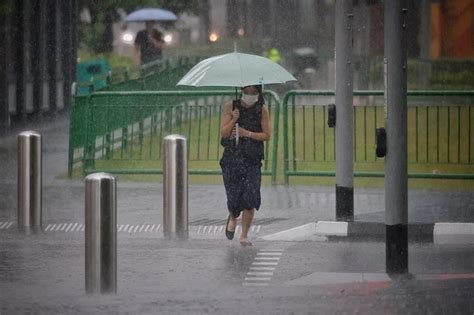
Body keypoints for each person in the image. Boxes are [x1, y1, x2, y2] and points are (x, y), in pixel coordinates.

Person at [220, 85, 271, 246]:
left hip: (252, 158)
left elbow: (267, 135)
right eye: (246, 92)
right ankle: (233, 216)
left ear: (258, 93)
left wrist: (246, 133)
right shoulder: (231, 106)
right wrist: (234, 118)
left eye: (254, 92)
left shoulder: (261, 109)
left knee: (250, 197)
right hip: (232, 158)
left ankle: (244, 235)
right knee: (234, 197)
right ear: (241, 91)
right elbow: (224, 133)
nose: (250, 95)